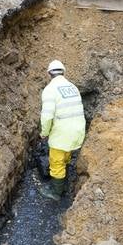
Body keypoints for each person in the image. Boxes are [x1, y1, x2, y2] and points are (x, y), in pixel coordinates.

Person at [39, 59, 86, 201]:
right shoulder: (73, 87)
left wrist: (44, 133)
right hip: (77, 131)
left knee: (56, 162)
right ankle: (63, 181)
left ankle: (56, 192)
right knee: (66, 155)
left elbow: (47, 116)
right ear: (63, 72)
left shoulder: (50, 90)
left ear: (49, 74)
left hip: (62, 134)